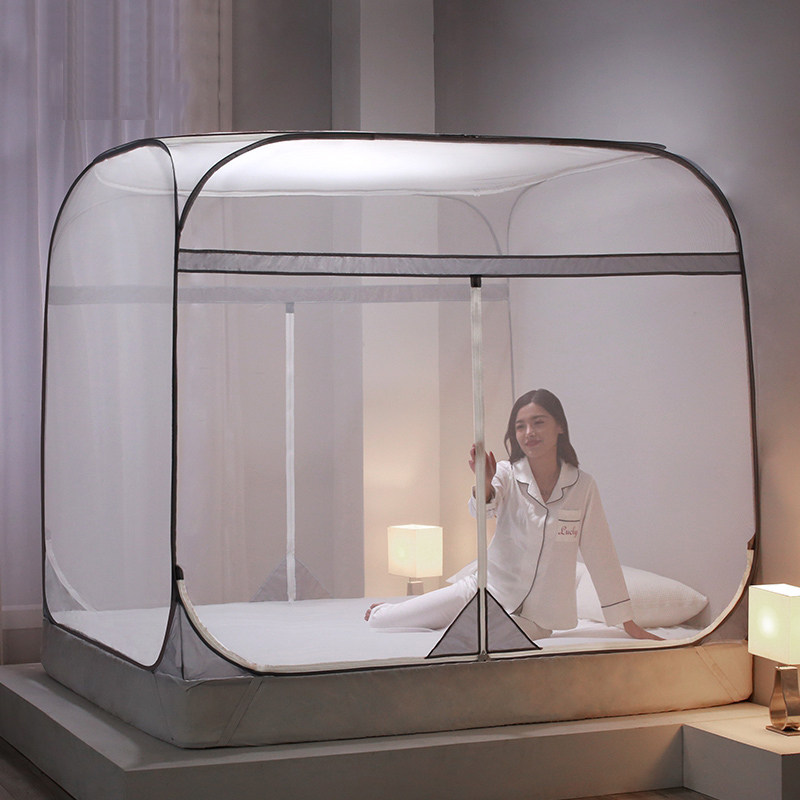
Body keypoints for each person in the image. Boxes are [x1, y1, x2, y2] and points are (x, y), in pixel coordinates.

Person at [366, 389, 660, 641]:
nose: (529, 432)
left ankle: (452, 620)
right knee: (383, 621)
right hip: (484, 589)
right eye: (520, 426)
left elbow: (601, 554)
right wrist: (483, 483)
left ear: (559, 426)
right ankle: (389, 609)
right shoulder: (506, 473)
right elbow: (482, 510)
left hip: (537, 617)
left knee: (477, 638)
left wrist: (628, 624)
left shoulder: (582, 486)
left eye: (538, 422)